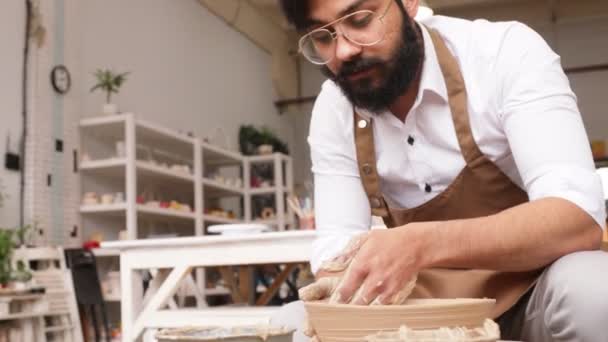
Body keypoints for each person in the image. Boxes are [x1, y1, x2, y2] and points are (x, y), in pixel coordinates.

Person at [271, 0, 608, 341]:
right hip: (416, 312)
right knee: (292, 323)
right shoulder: (335, 107)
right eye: (322, 36)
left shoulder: (502, 53)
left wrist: (420, 244)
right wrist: (341, 282)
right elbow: (335, 249)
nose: (343, 51)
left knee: (595, 291)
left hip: (532, 293)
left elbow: (577, 219)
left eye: (360, 19)